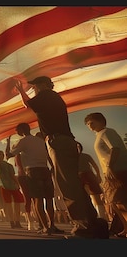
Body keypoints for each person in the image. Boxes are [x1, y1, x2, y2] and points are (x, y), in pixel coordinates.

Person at [16, 76, 108, 239]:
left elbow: (28, 105)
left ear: (43, 85)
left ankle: (83, 226)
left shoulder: (47, 95)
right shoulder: (53, 97)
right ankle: (91, 223)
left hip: (58, 141)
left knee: (68, 184)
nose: (34, 90)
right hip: (65, 141)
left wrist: (21, 91)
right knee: (73, 182)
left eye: (35, 87)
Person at [5, 123, 62, 235]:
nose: (16, 132)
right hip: (45, 169)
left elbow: (8, 155)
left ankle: (45, 227)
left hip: (32, 171)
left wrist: (8, 143)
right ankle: (52, 225)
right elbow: (48, 156)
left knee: (38, 199)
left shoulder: (23, 141)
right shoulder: (40, 141)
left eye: (17, 130)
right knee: (49, 199)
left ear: (21, 130)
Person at [84, 112, 127, 237]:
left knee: (120, 201)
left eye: (92, 122)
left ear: (101, 121)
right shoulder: (99, 135)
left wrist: (109, 166)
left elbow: (115, 149)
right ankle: (125, 228)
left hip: (117, 170)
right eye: (87, 124)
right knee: (114, 202)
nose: (90, 126)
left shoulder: (107, 132)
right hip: (111, 172)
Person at [0, 150, 25, 229]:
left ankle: (14, 222)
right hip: (8, 186)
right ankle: (15, 222)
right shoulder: (6, 165)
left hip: (7, 186)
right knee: (13, 203)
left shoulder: (3, 165)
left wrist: (17, 184)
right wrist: (18, 184)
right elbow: (12, 175)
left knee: (11, 204)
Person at [75, 141, 108, 221]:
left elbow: (95, 166)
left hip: (88, 175)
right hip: (79, 177)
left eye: (78, 147)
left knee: (96, 197)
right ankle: (92, 217)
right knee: (84, 199)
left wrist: (98, 175)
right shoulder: (71, 158)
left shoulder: (85, 156)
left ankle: (101, 217)